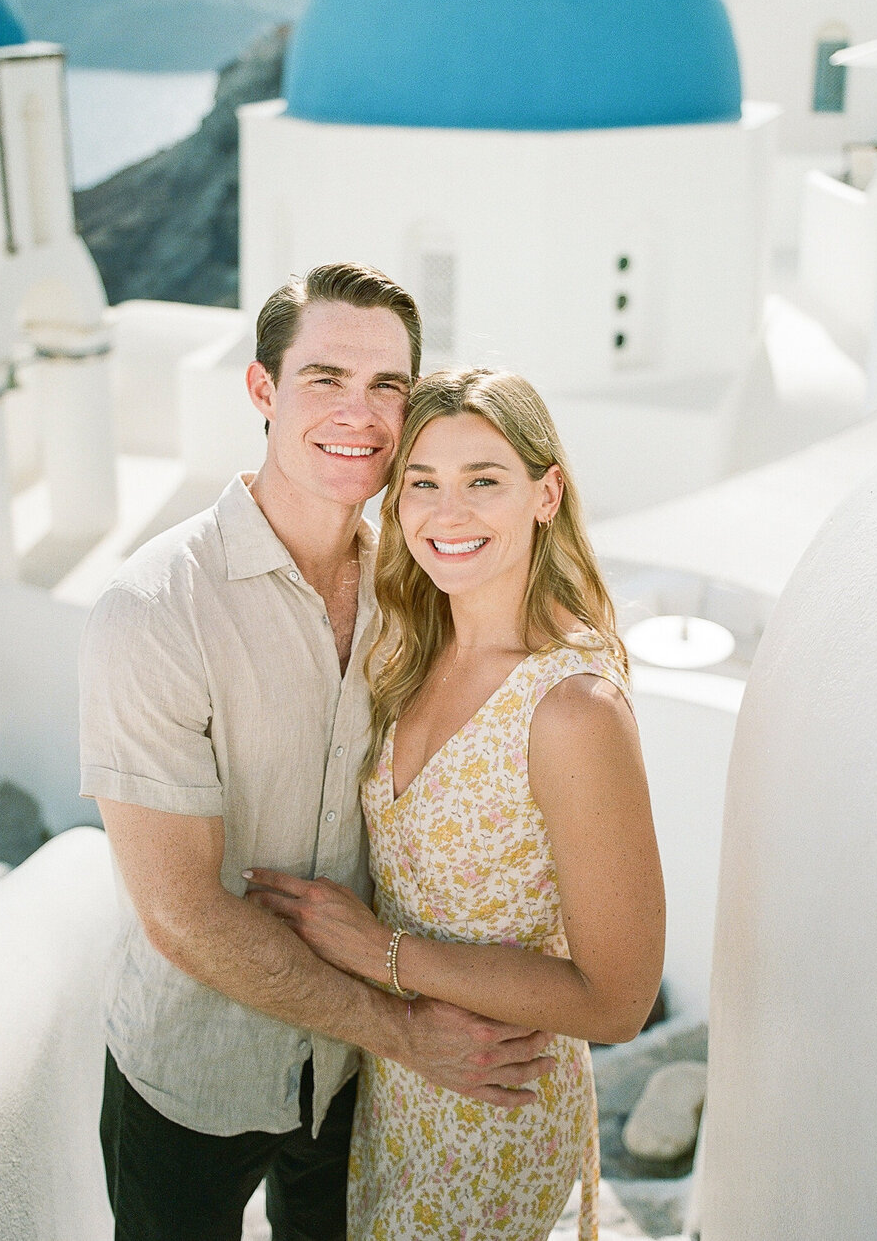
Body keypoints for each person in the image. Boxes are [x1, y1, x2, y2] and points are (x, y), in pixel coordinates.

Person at [79, 268, 555, 1241]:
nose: (362, 414)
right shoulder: (155, 610)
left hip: (347, 1087)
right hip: (190, 1077)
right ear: (262, 390)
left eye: (388, 386)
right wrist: (407, 1034)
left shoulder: (422, 590)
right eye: (325, 377)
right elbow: (181, 913)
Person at [247, 367, 665, 1241]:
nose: (449, 512)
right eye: (422, 484)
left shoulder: (573, 708)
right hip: (396, 1089)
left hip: (494, 1114)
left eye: (484, 480)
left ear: (546, 493)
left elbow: (619, 999)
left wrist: (378, 949)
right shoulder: (407, 649)